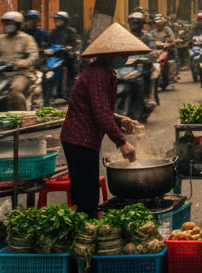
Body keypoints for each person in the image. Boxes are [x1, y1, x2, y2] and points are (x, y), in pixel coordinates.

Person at [61, 23, 147, 219]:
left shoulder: (106, 71)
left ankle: (87, 227)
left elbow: (100, 109)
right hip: (78, 139)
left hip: (86, 140)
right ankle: (84, 234)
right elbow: (100, 113)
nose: (125, 58)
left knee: (89, 191)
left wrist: (120, 118)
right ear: (111, 54)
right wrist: (122, 142)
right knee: (86, 196)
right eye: (122, 54)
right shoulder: (98, 73)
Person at [47, 11, 82, 99]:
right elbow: (48, 42)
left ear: (65, 21)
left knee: (71, 71)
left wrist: (71, 47)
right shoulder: (53, 32)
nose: (57, 21)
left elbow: (77, 42)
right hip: (56, 55)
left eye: (60, 19)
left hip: (67, 55)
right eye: (56, 19)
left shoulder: (71, 31)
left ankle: (70, 92)